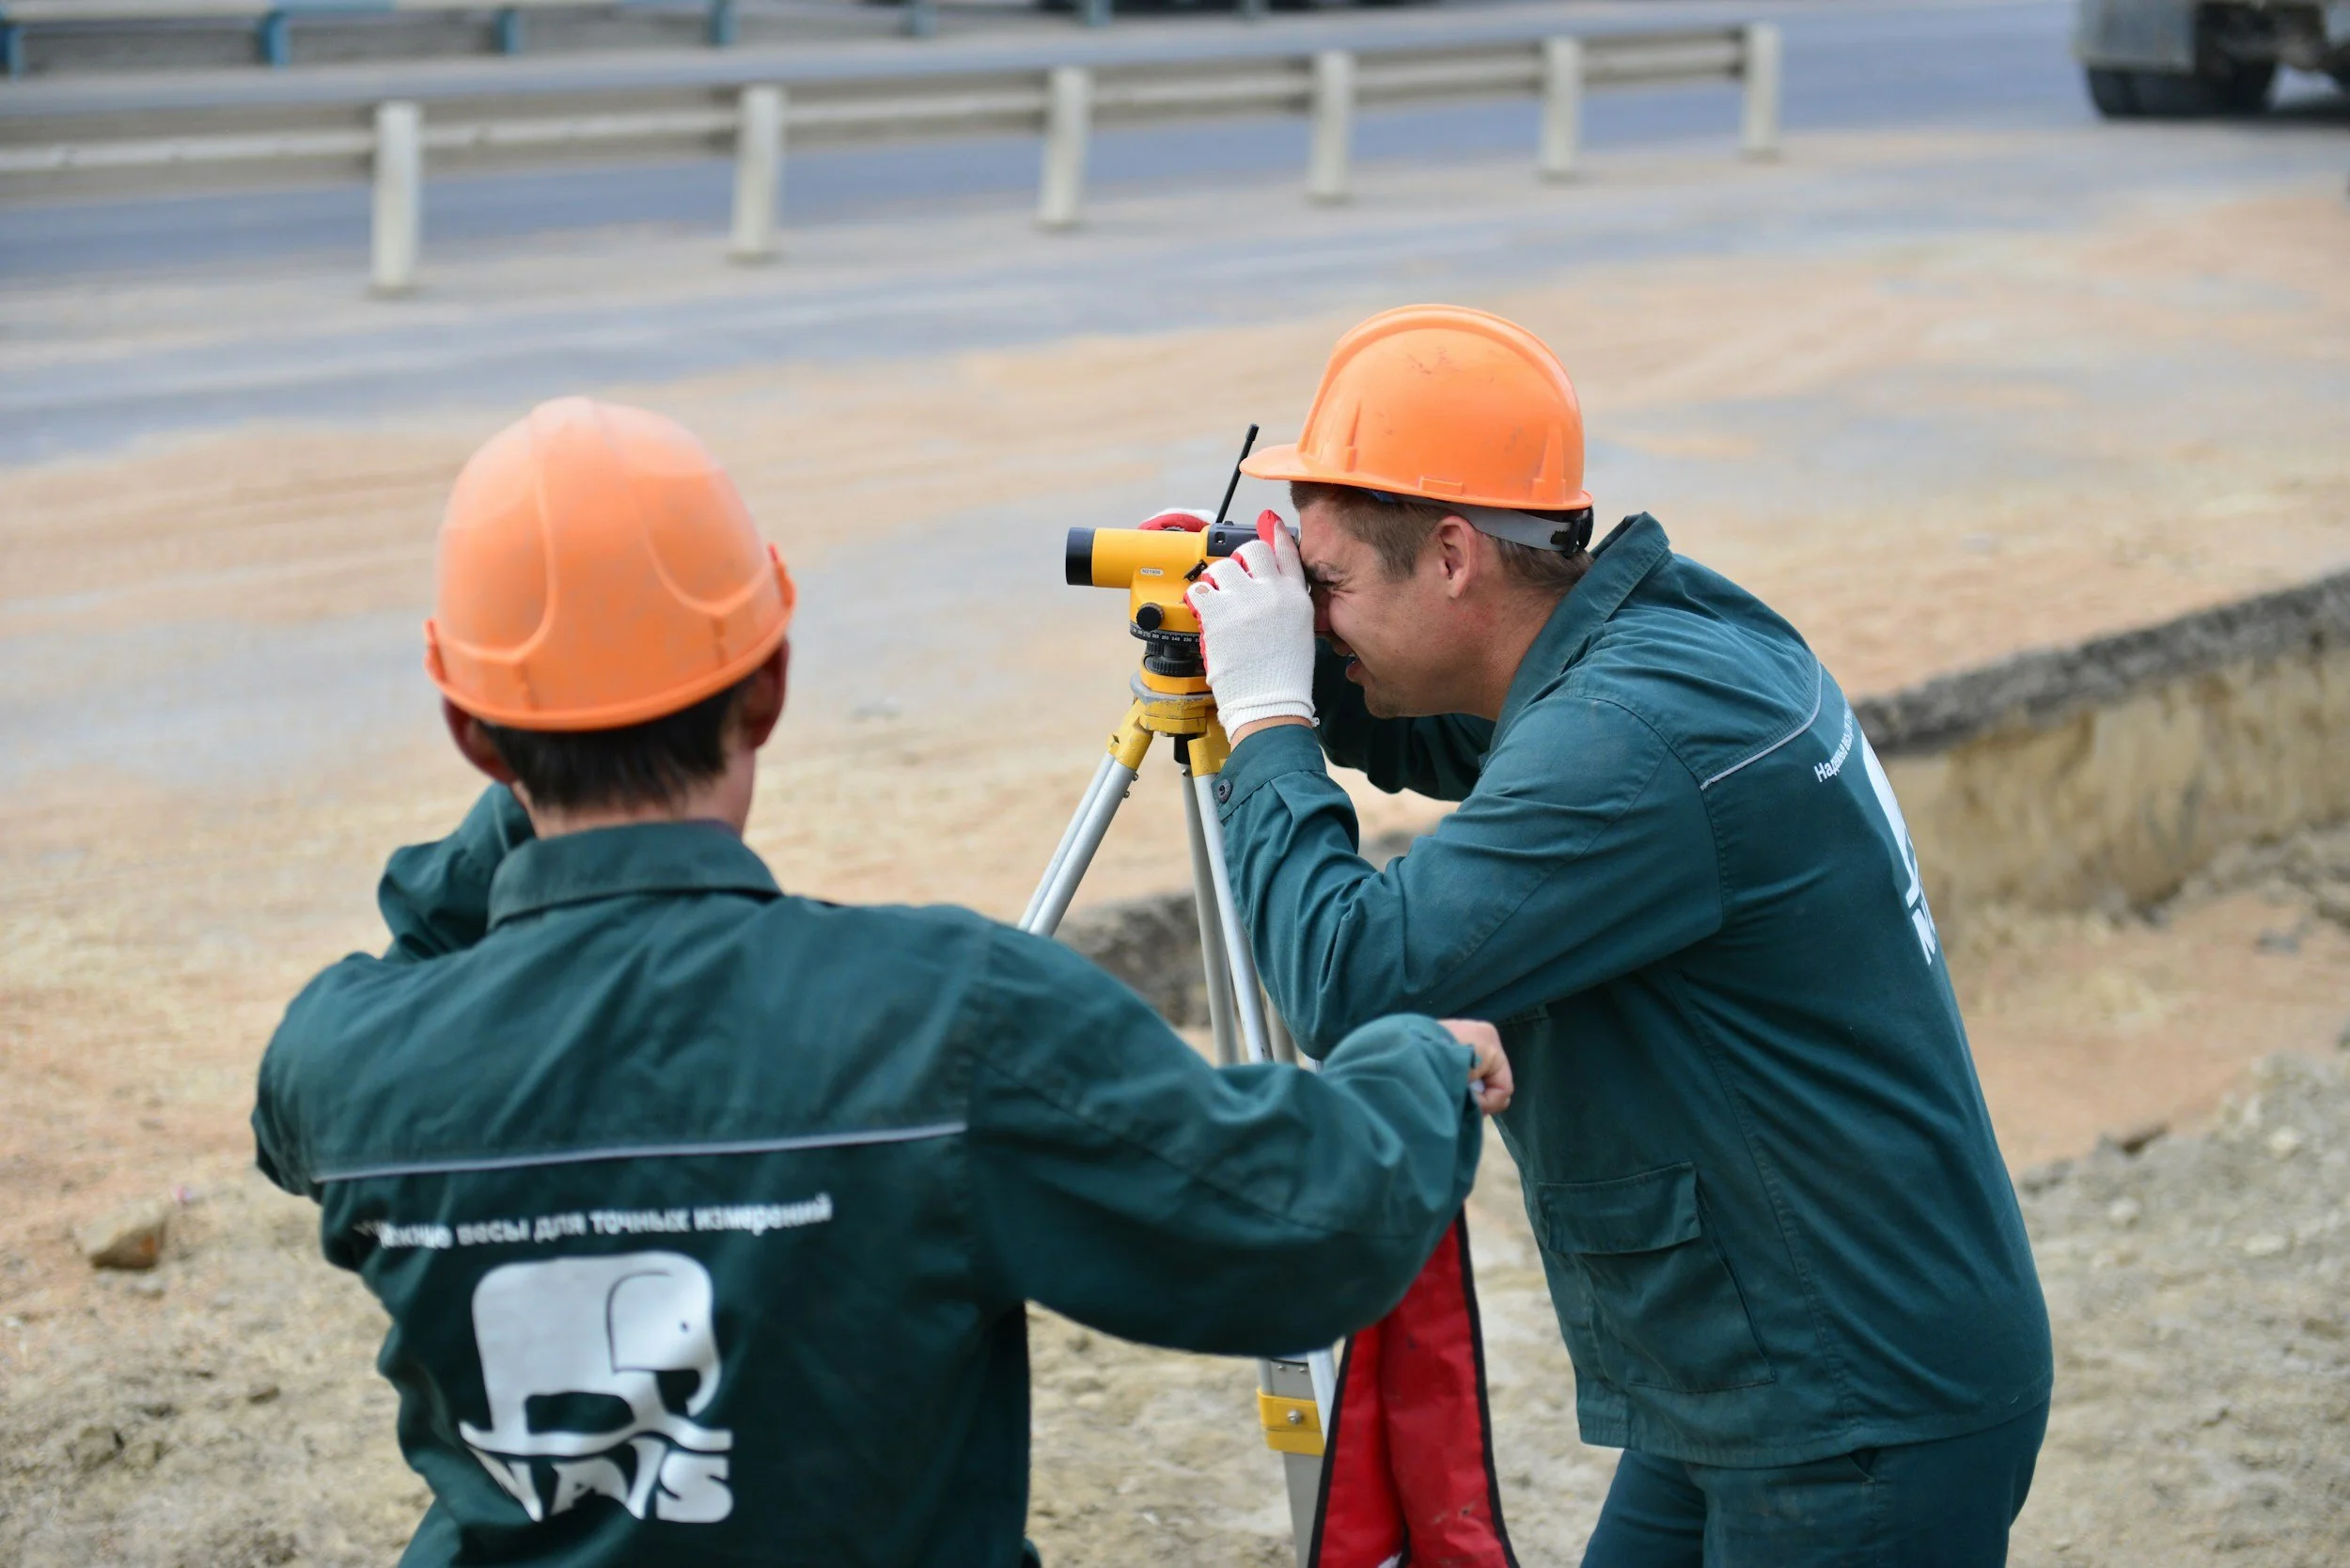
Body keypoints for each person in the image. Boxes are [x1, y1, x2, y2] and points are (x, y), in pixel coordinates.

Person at [250, 396, 1512, 1567]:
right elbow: (1306, 1231)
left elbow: (423, 937)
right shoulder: (947, 1020)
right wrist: (1423, 1064)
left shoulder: (347, 1068)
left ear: (470, 731)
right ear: (770, 688)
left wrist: (551, 750)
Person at [1180, 306, 2053, 1566]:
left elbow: (1350, 975)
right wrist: (1270, 637)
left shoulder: (1640, 742)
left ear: (1452, 556)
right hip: (1764, 1362)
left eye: (1323, 589)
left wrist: (1261, 709)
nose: (1313, 619)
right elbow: (1448, 725)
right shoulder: (1666, 640)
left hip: (1851, 1406)